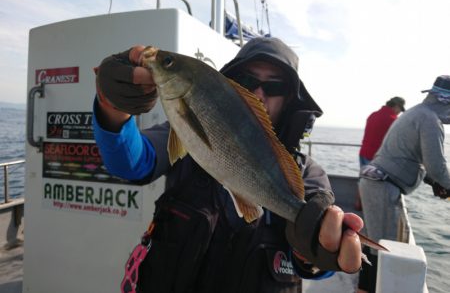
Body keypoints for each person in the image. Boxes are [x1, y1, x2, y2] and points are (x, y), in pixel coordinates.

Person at [93, 37, 364, 293]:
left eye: (275, 86)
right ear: (232, 83)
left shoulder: (306, 173)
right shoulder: (184, 132)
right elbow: (132, 164)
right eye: (247, 80)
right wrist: (112, 108)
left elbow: (316, 253)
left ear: (290, 99)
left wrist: (317, 254)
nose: (258, 93)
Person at [357, 76, 450, 293]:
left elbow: (408, 157)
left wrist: (432, 181)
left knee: (372, 249)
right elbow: (437, 167)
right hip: (383, 187)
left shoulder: (415, 113)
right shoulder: (430, 120)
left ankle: (362, 289)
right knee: (384, 251)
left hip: (374, 182)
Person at [355, 96, 405, 210]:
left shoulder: (373, 115)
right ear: (396, 106)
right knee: (376, 184)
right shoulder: (393, 120)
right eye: (400, 110)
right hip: (377, 157)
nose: (399, 113)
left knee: (363, 179)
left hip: (364, 152)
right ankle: (372, 210)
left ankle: (358, 204)